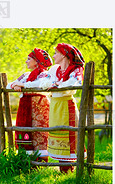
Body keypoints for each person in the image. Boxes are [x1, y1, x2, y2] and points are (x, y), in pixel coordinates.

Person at [6, 48, 53, 161]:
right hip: (25, 107)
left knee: (39, 132)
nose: (26, 61)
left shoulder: (45, 74)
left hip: (39, 108)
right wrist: (15, 85)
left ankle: (41, 161)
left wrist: (23, 85)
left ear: (36, 61)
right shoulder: (26, 75)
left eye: (29, 59)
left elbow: (40, 84)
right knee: (25, 130)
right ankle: (26, 160)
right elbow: (8, 85)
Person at [47, 43, 85, 172]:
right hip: (55, 103)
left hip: (66, 104)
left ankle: (69, 169)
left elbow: (74, 82)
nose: (53, 56)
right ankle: (63, 169)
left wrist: (57, 84)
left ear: (63, 55)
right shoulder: (54, 69)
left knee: (68, 134)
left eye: (56, 53)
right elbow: (45, 82)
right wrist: (55, 84)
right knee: (57, 133)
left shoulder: (75, 70)